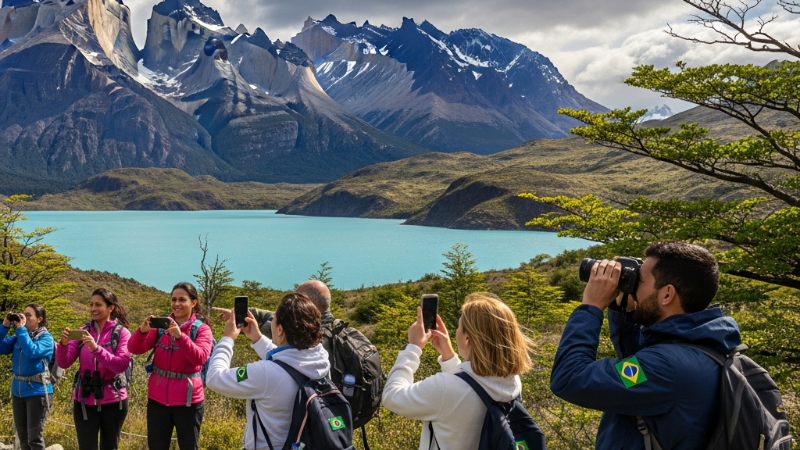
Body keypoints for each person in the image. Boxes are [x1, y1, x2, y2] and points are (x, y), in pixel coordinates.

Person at [549, 241, 743, 449]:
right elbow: (638, 366)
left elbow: (569, 378)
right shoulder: (701, 346)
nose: (633, 288)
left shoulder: (666, 367)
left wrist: (591, 307)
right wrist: (623, 312)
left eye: (639, 281)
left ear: (667, 294)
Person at [381, 293, 534, 450]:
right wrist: (449, 358)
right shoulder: (512, 380)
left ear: (467, 339)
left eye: (459, 327)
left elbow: (392, 397)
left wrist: (412, 348)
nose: (455, 332)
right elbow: (471, 387)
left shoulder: (445, 388)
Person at [205, 292, 330, 450]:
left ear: (280, 331)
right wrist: (257, 338)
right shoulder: (321, 360)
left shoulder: (266, 373)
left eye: (274, 320)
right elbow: (289, 363)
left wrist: (227, 339)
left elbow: (215, 379)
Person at [128, 282, 213, 450]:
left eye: (182, 300)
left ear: (193, 303)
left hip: (188, 402)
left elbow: (200, 358)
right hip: (157, 400)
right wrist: (143, 331)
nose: (176, 304)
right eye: (174, 299)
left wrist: (180, 337)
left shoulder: (202, 329)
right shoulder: (160, 328)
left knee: (189, 446)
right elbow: (134, 349)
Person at [56, 289, 131, 450]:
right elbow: (64, 362)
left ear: (111, 308)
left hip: (113, 400)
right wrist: (62, 345)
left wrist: (96, 348)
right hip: (85, 399)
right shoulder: (83, 331)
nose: (93, 309)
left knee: (109, 446)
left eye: (98, 305)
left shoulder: (121, 333)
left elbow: (120, 365)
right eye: (91, 304)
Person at [0, 304, 54, 450]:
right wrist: (4, 326)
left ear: (39, 319)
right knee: (23, 439)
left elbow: (32, 351)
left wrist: (21, 330)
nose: (24, 317)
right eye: (22, 314)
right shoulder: (20, 336)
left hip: (38, 393)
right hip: (18, 392)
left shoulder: (46, 338)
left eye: (28, 315)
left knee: (34, 439)